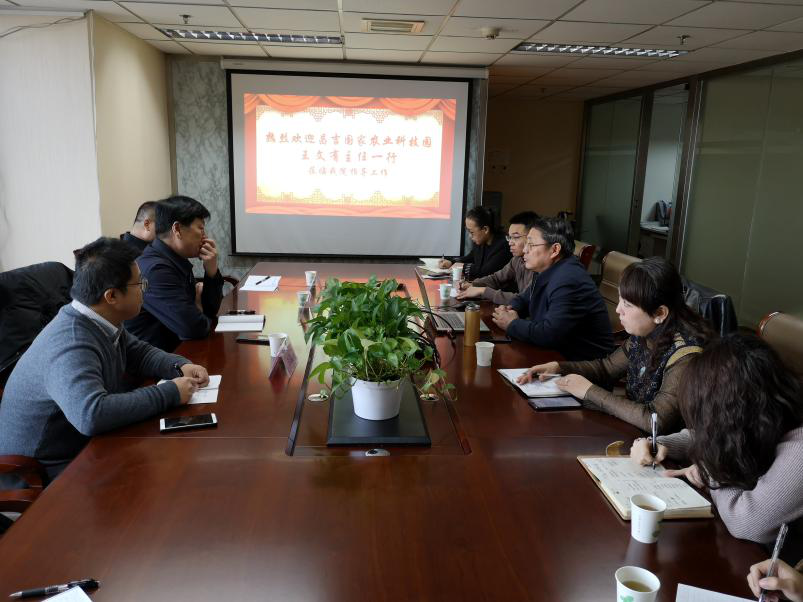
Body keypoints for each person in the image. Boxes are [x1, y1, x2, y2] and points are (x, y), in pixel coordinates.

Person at [0, 237, 208, 480]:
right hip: (42, 469)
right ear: (112, 296)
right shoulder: (71, 341)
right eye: (139, 283)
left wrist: (179, 365)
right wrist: (170, 393)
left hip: (83, 444)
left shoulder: (98, 318)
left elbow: (137, 352)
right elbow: (92, 414)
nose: (144, 289)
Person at [631, 334, 803, 561]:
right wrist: (659, 444)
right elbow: (714, 434)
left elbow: (746, 523)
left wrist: (710, 471)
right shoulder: (767, 413)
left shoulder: (799, 449)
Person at [517, 257, 710, 433]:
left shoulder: (686, 355)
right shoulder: (644, 333)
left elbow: (656, 420)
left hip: (668, 457)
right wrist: (560, 367)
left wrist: (589, 392)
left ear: (660, 313)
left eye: (628, 304)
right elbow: (607, 368)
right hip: (635, 438)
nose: (618, 310)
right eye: (620, 300)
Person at [492, 217, 613, 361]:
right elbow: (525, 298)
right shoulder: (548, 269)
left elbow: (549, 334)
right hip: (554, 354)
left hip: (580, 366)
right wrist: (510, 310)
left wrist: (512, 324)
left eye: (531, 245)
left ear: (555, 249)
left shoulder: (569, 280)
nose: (524, 250)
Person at [125, 195, 224, 352]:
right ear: (177, 229)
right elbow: (194, 328)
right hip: (156, 367)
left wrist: (211, 271)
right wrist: (197, 306)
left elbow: (210, 310)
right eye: (200, 228)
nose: (204, 237)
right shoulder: (155, 270)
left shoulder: (174, 260)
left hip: (180, 352)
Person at [456, 210, 538, 305]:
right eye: (509, 237)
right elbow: (496, 278)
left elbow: (523, 299)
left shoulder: (538, 266)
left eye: (516, 237)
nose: (510, 242)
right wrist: (473, 284)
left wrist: (483, 291)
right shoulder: (517, 260)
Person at [438, 206, 511, 280]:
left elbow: (485, 272)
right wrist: (451, 262)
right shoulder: (480, 242)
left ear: (485, 229)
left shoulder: (503, 246)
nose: (470, 236)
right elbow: (470, 258)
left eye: (472, 232)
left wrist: (461, 266)